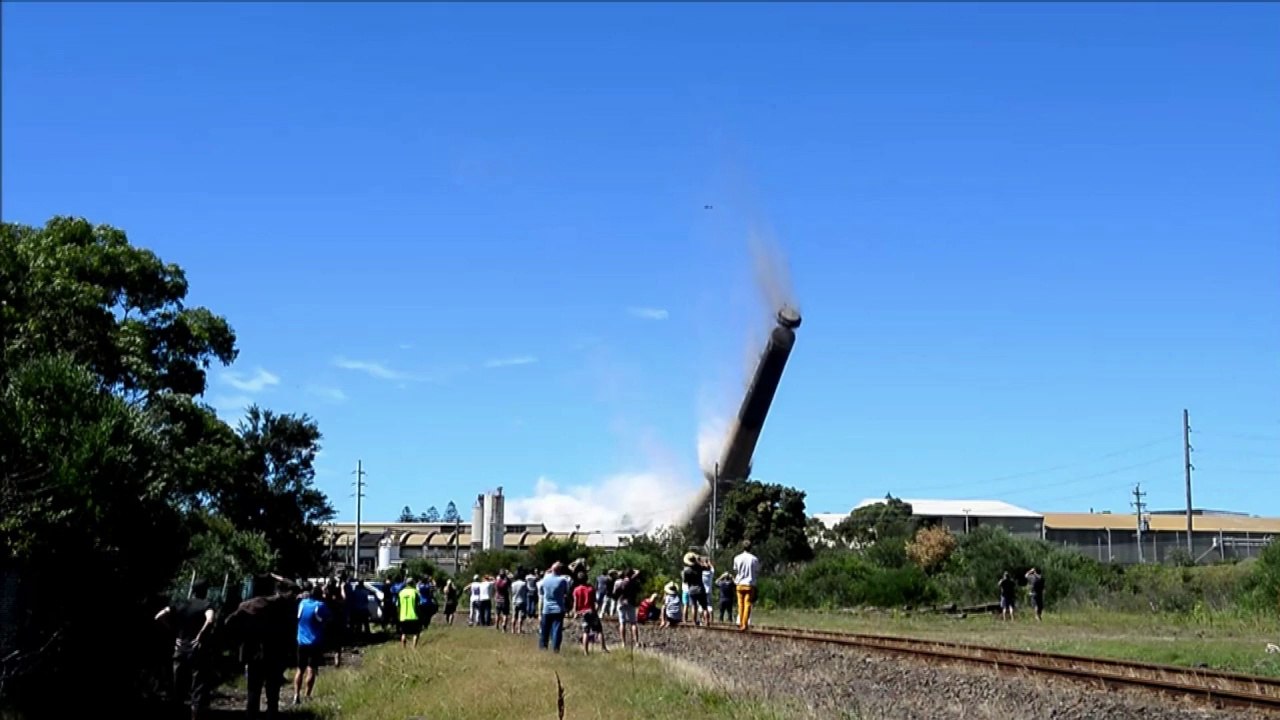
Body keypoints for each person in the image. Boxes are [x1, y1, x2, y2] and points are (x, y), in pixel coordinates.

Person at [223, 576, 297, 719]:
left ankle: (252, 715)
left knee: (253, 690)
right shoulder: (280, 603)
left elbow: (228, 623)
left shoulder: (246, 606)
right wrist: (277, 576)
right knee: (273, 691)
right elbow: (294, 587)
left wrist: (240, 638)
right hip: (274, 652)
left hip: (253, 653)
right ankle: (271, 714)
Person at [155, 579, 217, 720]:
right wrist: (201, 634)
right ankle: (195, 715)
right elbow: (210, 619)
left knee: (178, 689)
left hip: (180, 650)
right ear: (205, 591)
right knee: (197, 689)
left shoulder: (180, 604)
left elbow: (159, 616)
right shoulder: (207, 605)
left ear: (192, 590)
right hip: (197, 651)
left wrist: (173, 634)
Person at [293, 585, 329, 705]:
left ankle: (296, 695)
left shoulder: (302, 603)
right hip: (315, 642)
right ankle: (307, 695)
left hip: (301, 641)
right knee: (311, 669)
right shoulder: (320, 606)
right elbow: (327, 619)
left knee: (299, 669)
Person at [572, 572, 608, 655]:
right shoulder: (590, 589)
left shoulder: (576, 590)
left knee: (586, 632)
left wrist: (575, 612)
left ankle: (585, 651)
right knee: (599, 630)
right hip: (591, 611)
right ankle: (603, 648)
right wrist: (596, 609)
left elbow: (575, 602)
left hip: (583, 613)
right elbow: (595, 601)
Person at [538, 562, 570, 652]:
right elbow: (566, 592)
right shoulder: (562, 580)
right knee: (556, 630)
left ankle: (543, 647)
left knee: (544, 630)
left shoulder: (545, 579)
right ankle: (556, 648)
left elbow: (541, 592)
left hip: (546, 608)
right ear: (560, 570)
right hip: (558, 608)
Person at [733, 540, 761, 632]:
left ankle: (741, 623)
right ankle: (745, 624)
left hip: (739, 584)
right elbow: (757, 571)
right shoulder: (754, 559)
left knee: (740, 605)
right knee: (747, 604)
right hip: (749, 584)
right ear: (750, 547)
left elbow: (736, 570)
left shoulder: (737, 558)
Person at [615, 568, 642, 649]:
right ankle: (636, 642)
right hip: (630, 602)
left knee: (622, 623)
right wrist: (633, 570)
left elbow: (615, 592)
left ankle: (623, 643)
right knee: (633, 623)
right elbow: (638, 572)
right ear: (631, 574)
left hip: (621, 602)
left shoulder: (620, 582)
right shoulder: (633, 581)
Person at [682, 553, 708, 627]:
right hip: (701, 588)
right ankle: (707, 622)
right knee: (705, 607)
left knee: (694, 606)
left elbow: (685, 581)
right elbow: (707, 567)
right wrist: (701, 561)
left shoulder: (686, 570)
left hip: (692, 589)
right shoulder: (699, 567)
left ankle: (694, 622)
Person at [398, 577, 423, 648]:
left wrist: (399, 615)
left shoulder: (401, 592)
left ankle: (403, 648)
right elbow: (419, 604)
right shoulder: (415, 592)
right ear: (413, 583)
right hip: (414, 616)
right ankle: (414, 647)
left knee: (404, 633)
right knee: (416, 633)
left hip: (403, 616)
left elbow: (398, 605)